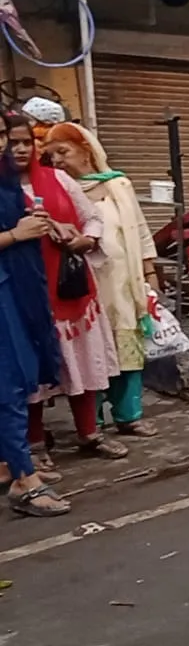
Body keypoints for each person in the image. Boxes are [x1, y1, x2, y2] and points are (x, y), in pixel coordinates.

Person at [5, 115, 127, 463]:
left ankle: (89, 433)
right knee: (32, 372)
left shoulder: (60, 179)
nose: (21, 149)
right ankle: (36, 446)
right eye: (13, 142)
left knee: (82, 363)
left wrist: (84, 239)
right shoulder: (3, 189)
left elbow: (92, 217)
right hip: (24, 292)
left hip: (70, 287)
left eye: (26, 142)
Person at [43, 122, 161, 438]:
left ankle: (129, 416)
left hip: (124, 284)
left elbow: (140, 230)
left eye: (63, 152)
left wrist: (150, 275)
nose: (57, 161)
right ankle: (91, 423)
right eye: (51, 156)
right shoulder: (56, 191)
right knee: (88, 353)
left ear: (87, 150)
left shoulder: (118, 184)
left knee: (128, 349)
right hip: (84, 285)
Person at [0, 117, 69, 517]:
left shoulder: (7, 178)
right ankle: (25, 481)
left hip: (16, 289)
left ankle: (12, 463)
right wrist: (15, 235)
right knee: (7, 386)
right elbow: (13, 231)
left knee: (16, 381)